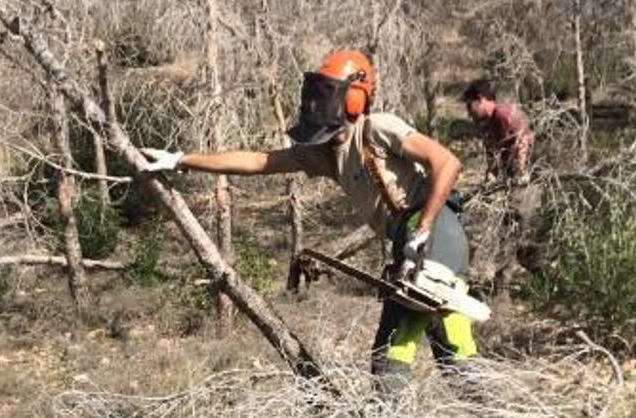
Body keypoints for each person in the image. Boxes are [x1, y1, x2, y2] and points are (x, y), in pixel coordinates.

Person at [140, 51, 478, 395]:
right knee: (456, 354)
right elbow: (259, 161)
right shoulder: (327, 153)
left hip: (433, 232)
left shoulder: (377, 129)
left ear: (353, 98)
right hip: (410, 241)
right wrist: (182, 160)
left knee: (390, 354)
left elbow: (447, 163)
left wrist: (423, 230)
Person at [462, 78, 538, 298]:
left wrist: (520, 174)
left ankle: (501, 293)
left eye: (470, 106)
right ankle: (544, 282)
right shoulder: (490, 123)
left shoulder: (503, 115)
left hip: (522, 188)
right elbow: (494, 156)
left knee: (511, 236)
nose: (469, 113)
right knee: (520, 242)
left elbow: (522, 140)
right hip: (511, 185)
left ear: (481, 100)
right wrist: (490, 179)